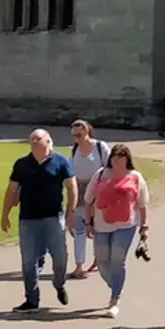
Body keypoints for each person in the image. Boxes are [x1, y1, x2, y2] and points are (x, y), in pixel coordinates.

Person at [0, 129, 79, 313]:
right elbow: (12, 190)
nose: (35, 141)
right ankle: (32, 300)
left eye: (39, 138)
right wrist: (4, 214)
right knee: (29, 261)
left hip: (54, 217)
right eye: (32, 139)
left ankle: (59, 284)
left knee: (60, 258)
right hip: (28, 219)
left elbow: (72, 187)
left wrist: (70, 212)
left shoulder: (61, 162)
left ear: (49, 142)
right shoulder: (22, 164)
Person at [84, 143, 149, 319]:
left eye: (121, 158)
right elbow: (89, 200)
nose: (117, 161)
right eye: (114, 158)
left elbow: (142, 205)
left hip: (126, 226)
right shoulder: (100, 175)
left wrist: (144, 227)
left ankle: (115, 299)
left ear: (127, 160)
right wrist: (88, 222)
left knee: (117, 260)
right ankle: (116, 286)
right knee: (102, 260)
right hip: (101, 225)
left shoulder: (135, 177)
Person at [66, 120, 111, 280]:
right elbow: (70, 173)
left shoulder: (100, 147)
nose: (76, 138)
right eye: (74, 135)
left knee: (96, 228)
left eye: (79, 134)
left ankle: (98, 259)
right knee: (79, 228)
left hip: (98, 188)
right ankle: (79, 266)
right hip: (79, 189)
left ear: (86, 131)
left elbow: (109, 168)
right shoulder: (74, 150)